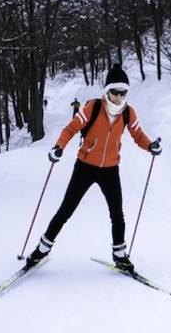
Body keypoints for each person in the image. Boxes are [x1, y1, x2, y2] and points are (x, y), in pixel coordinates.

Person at [26, 64, 162, 273]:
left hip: (110, 170)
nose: (118, 97)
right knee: (66, 210)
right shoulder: (93, 107)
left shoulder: (128, 113)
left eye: (123, 92)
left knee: (117, 214)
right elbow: (71, 128)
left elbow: (138, 135)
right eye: (115, 92)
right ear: (107, 91)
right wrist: (58, 147)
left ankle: (120, 256)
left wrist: (150, 145)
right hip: (85, 167)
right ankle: (40, 251)